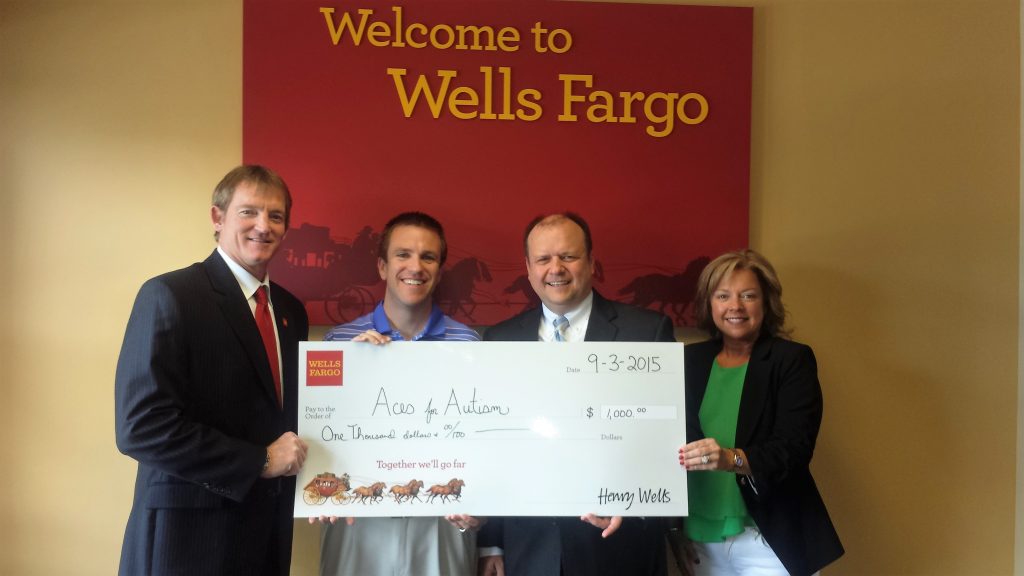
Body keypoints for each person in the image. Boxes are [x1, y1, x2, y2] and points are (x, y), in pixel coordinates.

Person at [114, 165, 310, 576]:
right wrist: (259, 460)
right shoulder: (170, 295)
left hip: (267, 537)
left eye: (275, 216)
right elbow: (142, 427)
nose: (263, 226)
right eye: (249, 212)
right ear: (217, 218)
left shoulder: (291, 311)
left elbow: (292, 416)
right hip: (187, 542)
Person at [479, 212, 674, 576]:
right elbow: (490, 444)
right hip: (530, 547)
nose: (556, 268)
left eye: (568, 256)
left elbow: (670, 432)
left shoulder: (646, 332)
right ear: (528, 268)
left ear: (591, 262)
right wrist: (492, 542)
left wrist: (635, 502)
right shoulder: (499, 339)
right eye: (543, 259)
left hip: (618, 546)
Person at [319, 211, 480, 576]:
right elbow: (324, 430)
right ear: (382, 266)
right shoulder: (338, 341)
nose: (415, 267)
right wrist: (355, 369)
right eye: (403, 254)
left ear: (439, 271)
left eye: (428, 257)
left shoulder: (469, 344)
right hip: (358, 520)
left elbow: (480, 436)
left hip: (442, 521)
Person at [678, 249, 844, 576]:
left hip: (768, 539)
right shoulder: (688, 360)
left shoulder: (791, 360)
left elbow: (794, 448)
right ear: (709, 304)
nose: (735, 306)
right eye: (723, 295)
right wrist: (673, 528)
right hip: (701, 537)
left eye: (748, 295)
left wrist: (730, 459)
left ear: (766, 302)